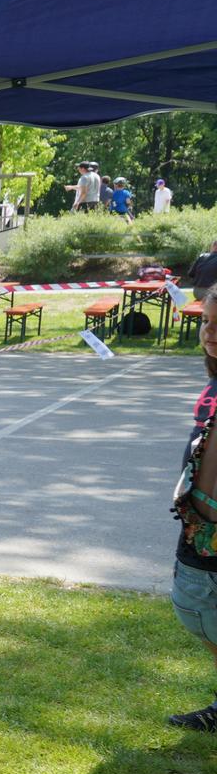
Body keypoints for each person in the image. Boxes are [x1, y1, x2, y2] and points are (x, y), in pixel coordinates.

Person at [166, 314, 217, 734]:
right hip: (198, 524)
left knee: (198, 608)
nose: (210, 332)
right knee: (196, 609)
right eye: (208, 322)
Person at [191, 239, 217, 306]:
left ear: (213, 246)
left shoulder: (202, 256)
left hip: (197, 292)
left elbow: (191, 274)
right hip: (212, 294)